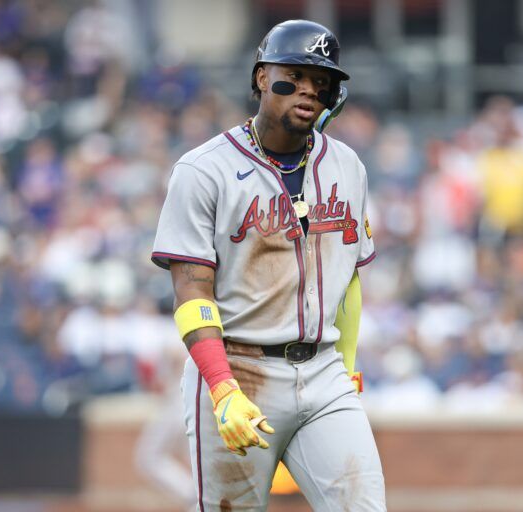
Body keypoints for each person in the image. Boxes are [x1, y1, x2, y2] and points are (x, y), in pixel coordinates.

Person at [151, 19, 385, 511]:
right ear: (261, 77)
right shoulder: (203, 170)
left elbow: (350, 283)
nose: (309, 89)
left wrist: (347, 366)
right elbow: (192, 292)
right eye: (295, 74)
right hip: (240, 368)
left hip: (323, 374)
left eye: (322, 82)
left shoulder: (347, 166)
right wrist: (222, 389)